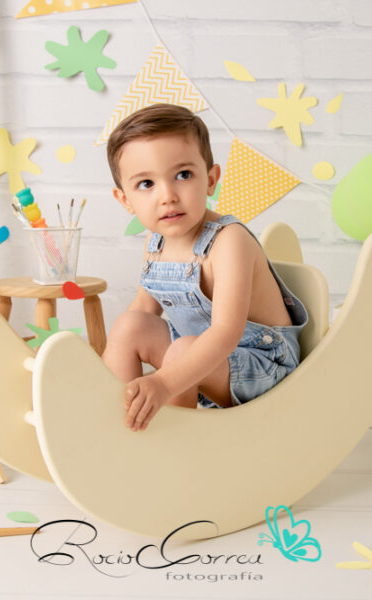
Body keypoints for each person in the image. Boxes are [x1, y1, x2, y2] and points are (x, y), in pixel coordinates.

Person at [103, 104, 308, 432]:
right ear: (125, 199)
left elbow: (226, 333)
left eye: (183, 175)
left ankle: (177, 441)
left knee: (184, 348)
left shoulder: (229, 241)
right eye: (146, 184)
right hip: (198, 361)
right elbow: (143, 309)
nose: (168, 196)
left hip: (262, 365)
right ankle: (116, 418)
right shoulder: (156, 242)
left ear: (210, 180)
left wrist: (163, 383)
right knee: (129, 325)